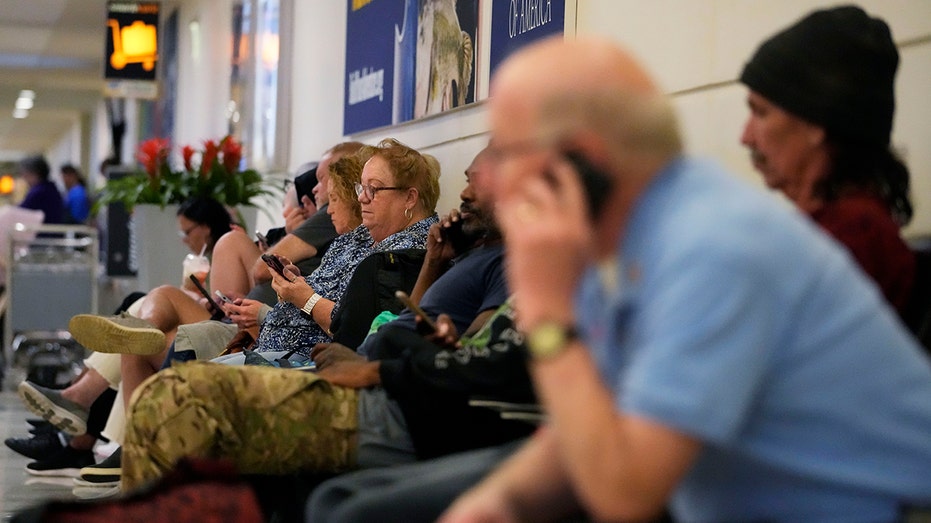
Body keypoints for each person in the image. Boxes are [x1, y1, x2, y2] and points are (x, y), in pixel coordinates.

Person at [345, 34, 931, 523]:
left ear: (580, 160)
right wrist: (499, 500)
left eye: (510, 154)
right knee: (351, 505)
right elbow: (592, 422)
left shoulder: (715, 247)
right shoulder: (629, 240)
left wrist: (548, 308)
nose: (489, 184)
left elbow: (625, 492)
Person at [115, 144, 513, 492]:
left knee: (174, 390)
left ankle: (126, 461)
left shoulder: (496, 262)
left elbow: (468, 350)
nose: (361, 200)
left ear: (410, 198)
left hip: (362, 381)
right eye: (360, 190)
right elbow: (414, 319)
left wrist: (370, 366)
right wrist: (434, 258)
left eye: (371, 190)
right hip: (335, 359)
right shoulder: (447, 252)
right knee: (169, 383)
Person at [738, 4, 916, 316]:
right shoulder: (839, 230)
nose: (746, 137)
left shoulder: (849, 240)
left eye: (761, 112)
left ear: (815, 125)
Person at [17, 154, 65, 224]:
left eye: (25, 174)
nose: (24, 178)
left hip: (44, 232)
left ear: (33, 173)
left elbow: (20, 211)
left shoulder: (40, 191)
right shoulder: (50, 188)